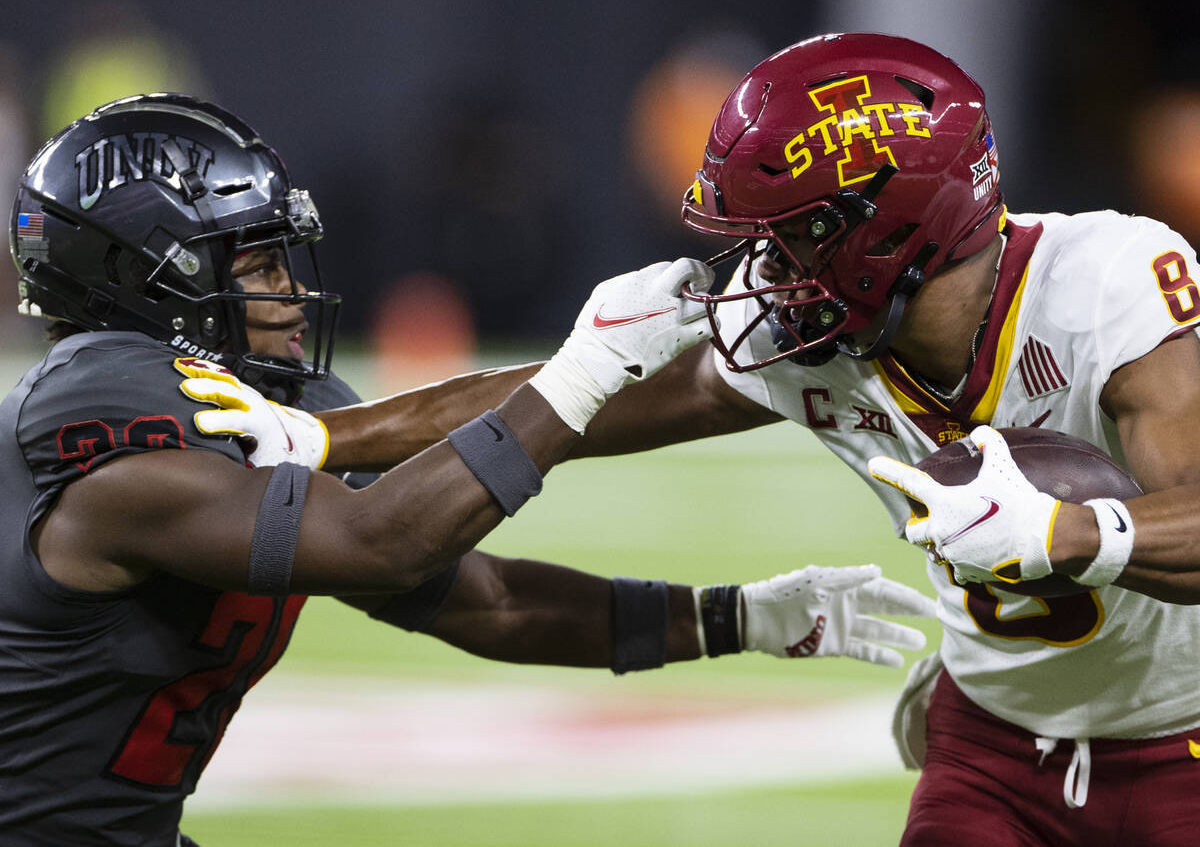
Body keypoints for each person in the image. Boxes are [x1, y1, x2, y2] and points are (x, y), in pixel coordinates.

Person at [232, 33, 1200, 846]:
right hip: (990, 748)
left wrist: (1066, 534)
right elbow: (558, 409)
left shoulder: (1102, 288)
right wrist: (315, 437)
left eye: (790, 236)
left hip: (1181, 743)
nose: (761, 270)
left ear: (888, 225)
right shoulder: (818, 339)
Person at [0, 93, 935, 847]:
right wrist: (584, 370)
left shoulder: (246, 409)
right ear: (150, 277)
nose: (290, 292)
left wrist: (737, 616)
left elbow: (489, 601)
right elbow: (380, 543)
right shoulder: (112, 440)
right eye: (257, 264)